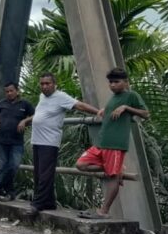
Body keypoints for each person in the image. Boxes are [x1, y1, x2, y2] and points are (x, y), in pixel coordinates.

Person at [76, 68, 149, 219]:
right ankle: (116, 167)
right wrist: (105, 110)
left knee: (112, 177)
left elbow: (146, 114)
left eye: (117, 82)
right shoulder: (113, 97)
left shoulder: (131, 96)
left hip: (115, 144)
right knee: (81, 164)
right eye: (111, 82)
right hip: (102, 142)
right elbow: (113, 114)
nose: (113, 85)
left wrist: (126, 107)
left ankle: (104, 211)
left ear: (126, 82)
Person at [25, 72, 99, 216]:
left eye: (48, 83)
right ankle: (49, 202)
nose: (44, 86)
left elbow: (79, 105)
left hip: (49, 141)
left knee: (45, 174)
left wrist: (98, 112)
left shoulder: (61, 97)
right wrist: (25, 121)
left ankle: (38, 204)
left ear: (54, 84)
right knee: (39, 173)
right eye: (42, 84)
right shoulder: (42, 97)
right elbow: (40, 115)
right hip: (37, 140)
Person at [0, 82, 34, 202]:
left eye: (11, 91)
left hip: (16, 141)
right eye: (7, 91)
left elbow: (35, 115)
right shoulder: (2, 103)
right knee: (3, 167)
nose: (9, 93)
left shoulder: (25, 104)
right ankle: (10, 193)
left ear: (17, 91)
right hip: (1, 140)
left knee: (13, 166)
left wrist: (25, 121)